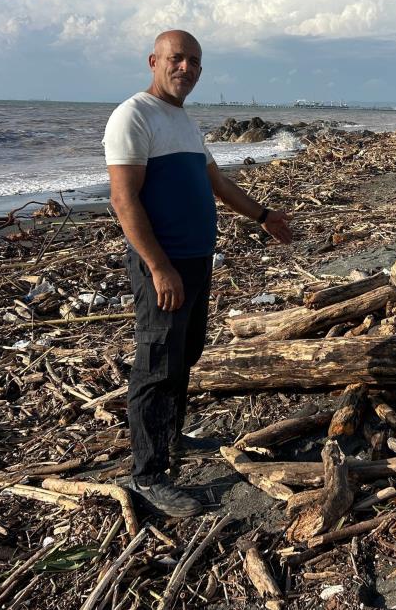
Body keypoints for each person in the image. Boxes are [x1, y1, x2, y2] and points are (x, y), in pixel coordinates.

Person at [103, 30, 293, 516]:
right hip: (161, 263)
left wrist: (263, 215)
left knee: (185, 353)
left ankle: (170, 435)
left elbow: (217, 181)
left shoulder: (184, 122)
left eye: (193, 61)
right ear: (153, 61)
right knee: (157, 361)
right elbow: (123, 200)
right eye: (175, 58)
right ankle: (147, 474)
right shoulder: (133, 116)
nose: (184, 67)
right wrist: (159, 266)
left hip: (194, 260)